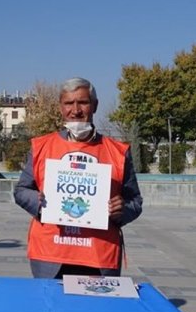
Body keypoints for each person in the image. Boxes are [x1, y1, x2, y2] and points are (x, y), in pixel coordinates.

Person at [14, 77, 142, 278]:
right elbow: (21, 190)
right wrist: (37, 202)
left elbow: (135, 201)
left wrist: (121, 210)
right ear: (61, 107)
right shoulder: (41, 146)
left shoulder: (118, 152)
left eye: (83, 102)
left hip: (98, 255)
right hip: (50, 254)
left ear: (95, 106)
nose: (75, 110)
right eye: (68, 103)